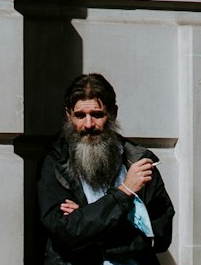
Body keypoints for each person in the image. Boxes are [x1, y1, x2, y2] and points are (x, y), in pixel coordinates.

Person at [38, 72, 175, 265]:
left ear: (113, 113)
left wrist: (88, 219)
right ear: (68, 115)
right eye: (79, 116)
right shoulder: (56, 163)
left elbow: (160, 237)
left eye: (97, 115)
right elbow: (67, 233)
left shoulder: (139, 163)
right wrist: (124, 192)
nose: (88, 124)